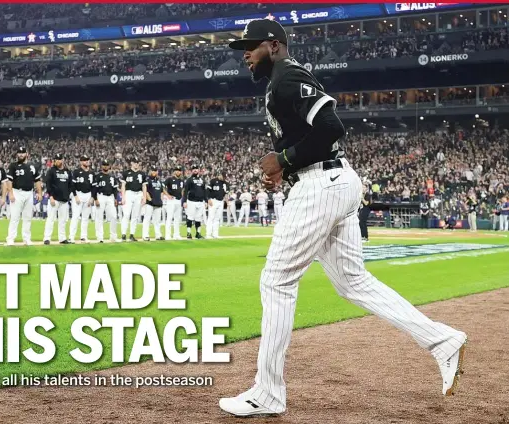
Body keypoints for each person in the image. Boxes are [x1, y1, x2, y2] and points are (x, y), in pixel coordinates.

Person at [220, 19, 467, 418]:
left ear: (274, 45)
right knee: (353, 282)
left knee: (276, 280)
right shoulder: (283, 77)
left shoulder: (287, 76)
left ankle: (268, 392)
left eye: (251, 46)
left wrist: (283, 159)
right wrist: (287, 168)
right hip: (332, 180)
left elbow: (332, 126)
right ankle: (442, 340)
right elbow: (313, 136)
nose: (245, 54)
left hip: (323, 186)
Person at [6, 146, 42, 246]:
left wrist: (39, 193)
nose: (21, 154)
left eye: (22, 153)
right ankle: (10, 238)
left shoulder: (33, 166)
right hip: (17, 192)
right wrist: (11, 193)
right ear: (17, 154)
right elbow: (9, 180)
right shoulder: (13, 165)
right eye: (19, 153)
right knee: (15, 217)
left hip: (29, 193)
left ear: (27, 154)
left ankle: (27, 239)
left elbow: (37, 180)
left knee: (27, 217)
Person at [44, 153, 75, 245]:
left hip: (64, 200)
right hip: (54, 199)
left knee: (63, 220)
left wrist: (67, 194)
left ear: (63, 160)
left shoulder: (67, 171)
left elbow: (70, 185)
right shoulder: (51, 171)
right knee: (51, 219)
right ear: (55, 161)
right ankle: (47, 238)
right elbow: (48, 184)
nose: (58, 161)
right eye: (56, 159)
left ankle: (62, 238)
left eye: (60, 159)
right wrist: (51, 196)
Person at [69, 155, 95, 243]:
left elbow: (94, 187)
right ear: (81, 162)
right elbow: (72, 185)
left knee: (85, 217)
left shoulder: (92, 173)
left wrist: (92, 197)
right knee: (75, 216)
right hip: (79, 194)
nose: (86, 161)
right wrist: (75, 196)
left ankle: (83, 236)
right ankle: (71, 237)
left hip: (88, 195)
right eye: (84, 160)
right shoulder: (76, 172)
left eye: (87, 160)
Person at [120, 157, 147, 242]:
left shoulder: (142, 174)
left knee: (135, 216)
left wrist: (144, 197)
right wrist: (123, 197)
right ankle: (123, 234)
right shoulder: (126, 173)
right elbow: (123, 186)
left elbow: (144, 186)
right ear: (131, 163)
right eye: (134, 162)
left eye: (137, 162)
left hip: (138, 194)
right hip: (129, 193)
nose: (136, 164)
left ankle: (132, 234)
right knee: (126, 214)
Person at [92, 159, 118, 243]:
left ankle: (113, 236)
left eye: (107, 165)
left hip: (110, 197)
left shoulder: (112, 176)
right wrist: (95, 199)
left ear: (109, 166)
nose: (105, 166)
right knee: (99, 217)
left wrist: (115, 198)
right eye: (104, 165)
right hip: (101, 196)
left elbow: (115, 189)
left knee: (114, 216)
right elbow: (94, 189)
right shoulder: (98, 176)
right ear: (101, 166)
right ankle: (100, 237)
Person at [142, 166, 164, 241]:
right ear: (150, 171)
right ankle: (145, 235)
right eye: (153, 171)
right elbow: (146, 191)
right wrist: (150, 200)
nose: (154, 172)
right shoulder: (147, 180)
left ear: (157, 172)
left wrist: (161, 200)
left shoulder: (159, 181)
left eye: (155, 171)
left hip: (158, 203)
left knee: (157, 220)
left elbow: (161, 191)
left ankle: (158, 235)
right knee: (147, 219)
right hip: (150, 203)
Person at [163, 165, 184, 241]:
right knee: (169, 218)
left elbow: (182, 190)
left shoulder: (181, 180)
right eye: (177, 170)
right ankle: (168, 235)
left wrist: (182, 197)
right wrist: (168, 195)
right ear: (174, 171)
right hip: (171, 200)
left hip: (178, 200)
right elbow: (162, 187)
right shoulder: (169, 179)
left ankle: (176, 234)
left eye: (179, 170)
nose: (178, 171)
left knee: (177, 219)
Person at [206, 171, 228, 239]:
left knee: (217, 218)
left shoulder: (225, 183)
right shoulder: (213, 181)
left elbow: (226, 193)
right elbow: (207, 190)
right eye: (223, 176)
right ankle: (208, 234)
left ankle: (215, 234)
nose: (224, 178)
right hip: (213, 200)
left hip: (220, 201)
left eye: (225, 177)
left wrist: (226, 201)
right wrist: (208, 199)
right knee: (211, 217)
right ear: (220, 175)